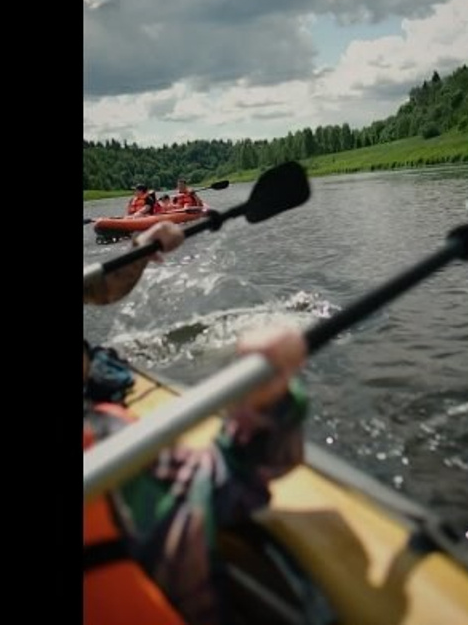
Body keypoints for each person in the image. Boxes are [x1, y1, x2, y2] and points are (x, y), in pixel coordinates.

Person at [82, 221, 309, 625]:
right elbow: (236, 476)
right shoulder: (106, 443)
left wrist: (142, 247)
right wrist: (266, 401)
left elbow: (96, 287)